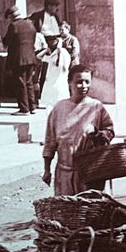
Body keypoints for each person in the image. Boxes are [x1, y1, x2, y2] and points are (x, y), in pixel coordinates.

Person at [42, 64, 115, 196]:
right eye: (79, 82)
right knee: (67, 211)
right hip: (64, 174)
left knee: (92, 212)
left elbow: (109, 131)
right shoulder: (59, 108)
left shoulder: (96, 107)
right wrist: (47, 170)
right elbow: (50, 142)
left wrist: (97, 133)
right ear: (69, 83)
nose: (84, 86)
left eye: (87, 81)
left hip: (90, 173)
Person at [2, 5, 37, 116]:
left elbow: (7, 41)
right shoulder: (30, 24)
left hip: (19, 59)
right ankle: (32, 106)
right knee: (29, 83)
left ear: (11, 17)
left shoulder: (14, 26)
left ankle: (24, 109)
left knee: (20, 83)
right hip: (30, 57)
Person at [30, 0, 62, 102]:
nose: (56, 9)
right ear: (49, 6)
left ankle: (47, 95)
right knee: (38, 73)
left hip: (54, 46)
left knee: (50, 72)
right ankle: (37, 96)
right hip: (42, 46)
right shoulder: (37, 16)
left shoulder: (56, 17)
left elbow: (60, 30)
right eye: (54, 7)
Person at [40, 38, 71, 109]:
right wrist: (46, 50)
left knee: (60, 99)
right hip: (51, 79)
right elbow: (39, 57)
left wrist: (60, 51)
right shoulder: (52, 54)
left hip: (59, 79)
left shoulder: (64, 53)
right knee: (51, 103)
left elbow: (64, 68)